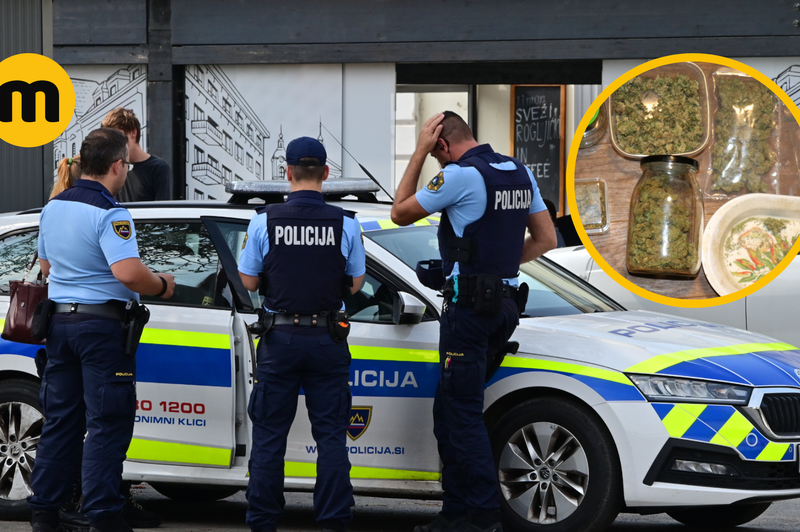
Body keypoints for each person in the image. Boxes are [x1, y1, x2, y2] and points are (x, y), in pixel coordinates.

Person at [391, 112, 557, 532]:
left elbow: (399, 213)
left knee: (461, 416)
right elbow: (545, 239)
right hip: (502, 308)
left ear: (441, 145)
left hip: (468, 312)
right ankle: (456, 513)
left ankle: (481, 518)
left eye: (434, 152)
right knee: (449, 412)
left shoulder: (462, 175)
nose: (435, 160)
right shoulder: (517, 171)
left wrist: (416, 155)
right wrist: (494, 267)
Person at [28, 128, 176, 532]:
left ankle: (44, 510)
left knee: (61, 421)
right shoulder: (112, 214)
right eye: (126, 164)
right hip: (101, 329)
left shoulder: (54, 207)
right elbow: (128, 273)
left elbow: (46, 268)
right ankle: (104, 515)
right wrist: (162, 283)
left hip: (59, 324)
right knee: (107, 423)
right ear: (117, 166)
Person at [238, 136, 365, 532]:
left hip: (279, 340)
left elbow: (249, 281)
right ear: (326, 174)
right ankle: (333, 522)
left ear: (287, 173)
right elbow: (357, 283)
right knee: (330, 437)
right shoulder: (345, 222)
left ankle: (262, 521)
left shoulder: (263, 221)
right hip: (327, 338)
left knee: (270, 436)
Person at [101, 108, 172, 202]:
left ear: (133, 132)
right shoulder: (112, 167)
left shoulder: (158, 168)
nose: (113, 143)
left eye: (117, 136)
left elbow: (163, 212)